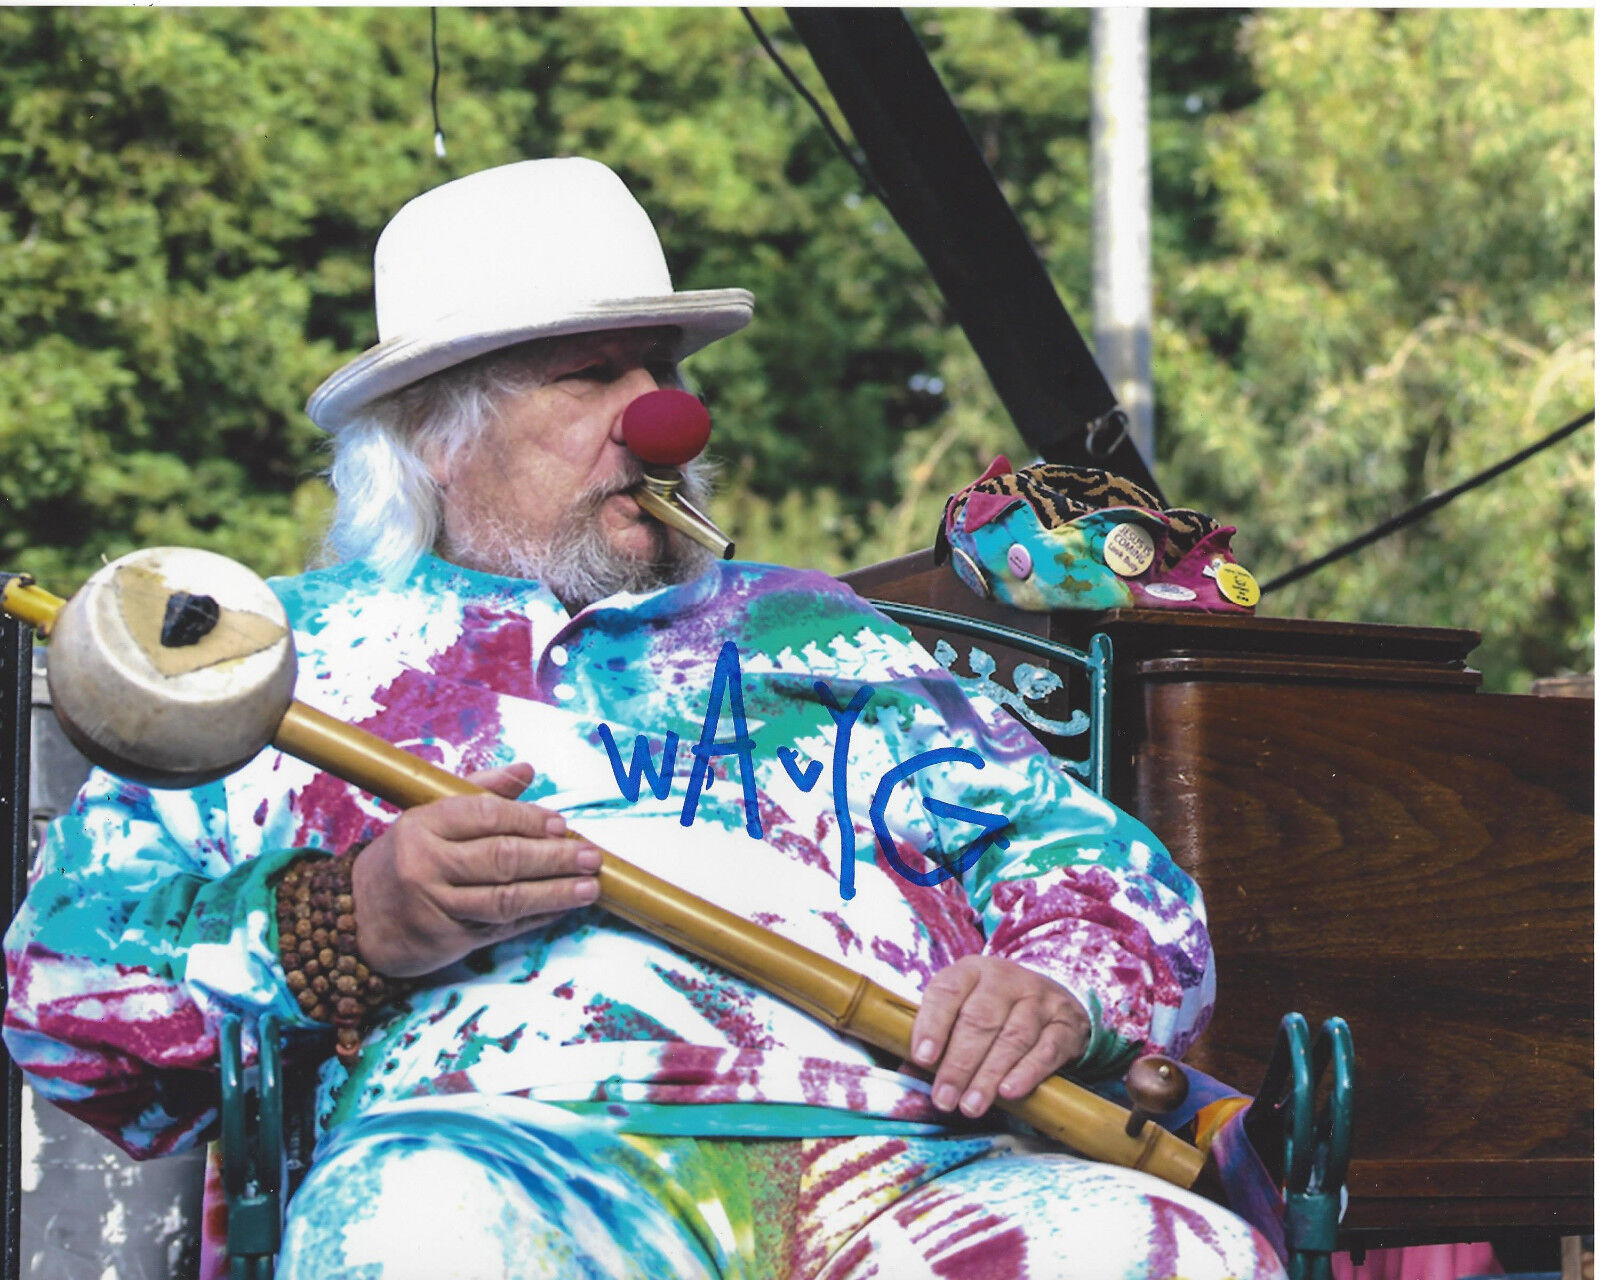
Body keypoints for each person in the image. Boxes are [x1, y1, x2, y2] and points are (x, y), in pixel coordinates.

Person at [4, 158, 1282, 1279]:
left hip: (909, 1162)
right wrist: (349, 920)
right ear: (437, 439)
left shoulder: (823, 633)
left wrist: (1056, 986)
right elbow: (61, 992)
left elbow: (1114, 881)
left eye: (661, 371)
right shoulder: (290, 657)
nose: (664, 418)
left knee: (1175, 1251)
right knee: (414, 1236)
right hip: (495, 1155)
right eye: (589, 375)